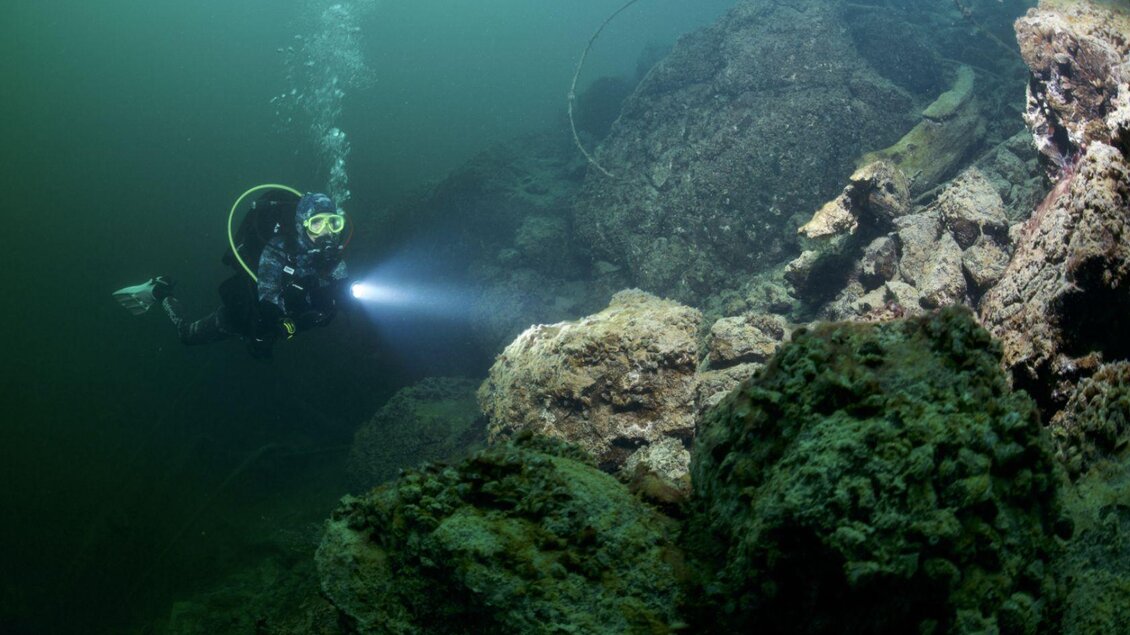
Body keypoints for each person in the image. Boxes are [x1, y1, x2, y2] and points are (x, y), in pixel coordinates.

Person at [114, 190, 354, 358]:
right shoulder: (278, 250)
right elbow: (268, 294)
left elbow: (339, 288)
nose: (326, 232)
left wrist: (341, 301)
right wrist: (282, 322)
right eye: (317, 223)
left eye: (333, 223)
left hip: (290, 318)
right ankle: (160, 290)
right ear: (303, 223)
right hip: (248, 311)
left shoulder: (332, 258)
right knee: (187, 334)